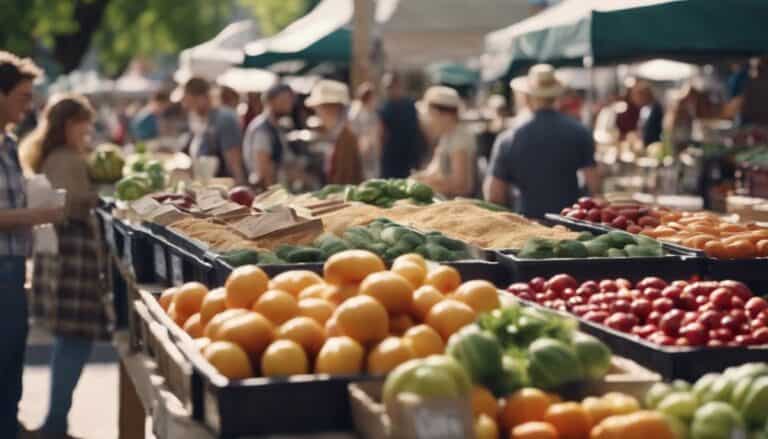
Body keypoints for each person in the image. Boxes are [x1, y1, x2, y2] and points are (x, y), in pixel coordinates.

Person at [19, 94, 112, 439]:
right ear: (69, 124)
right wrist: (97, 195)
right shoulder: (63, 159)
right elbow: (64, 204)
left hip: (66, 253)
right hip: (70, 255)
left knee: (71, 339)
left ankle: (56, 422)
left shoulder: (63, 155)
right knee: (73, 338)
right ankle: (56, 424)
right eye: (83, 123)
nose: (87, 130)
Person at [0, 51, 64, 438]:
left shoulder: (8, 144)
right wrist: (37, 215)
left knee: (10, 379)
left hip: (11, 273)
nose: (30, 106)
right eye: (23, 96)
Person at [484, 64, 600, 219]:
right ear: (557, 96)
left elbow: (494, 194)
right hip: (569, 222)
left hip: (526, 223)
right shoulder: (580, 132)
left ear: (526, 97)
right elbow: (593, 184)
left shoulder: (508, 138)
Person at [412, 86, 476, 198]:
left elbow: (462, 186)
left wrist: (423, 185)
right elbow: (433, 171)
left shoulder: (460, 138)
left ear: (437, 113)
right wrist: (416, 178)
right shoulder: (446, 136)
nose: (427, 121)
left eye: (429, 115)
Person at [181, 77, 246, 183]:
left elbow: (234, 162)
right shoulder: (204, 120)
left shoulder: (224, 119)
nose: (186, 106)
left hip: (223, 186)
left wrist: (239, 189)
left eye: (189, 101)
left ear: (202, 98)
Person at [305, 80, 362, 185]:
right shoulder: (339, 134)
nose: (316, 112)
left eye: (317, 108)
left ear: (329, 108)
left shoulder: (346, 138)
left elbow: (344, 181)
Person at [242, 83, 295, 187]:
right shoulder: (262, 129)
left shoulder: (276, 126)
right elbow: (263, 168)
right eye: (284, 100)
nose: (289, 104)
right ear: (271, 101)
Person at [378, 72, 427, 178]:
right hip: (391, 156)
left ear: (398, 86)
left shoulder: (410, 105)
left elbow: (418, 128)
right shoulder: (385, 107)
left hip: (409, 155)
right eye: (387, 88)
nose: (389, 90)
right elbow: (382, 133)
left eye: (391, 87)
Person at [348, 82, 380, 179]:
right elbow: (353, 131)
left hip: (371, 148)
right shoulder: (356, 112)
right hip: (361, 148)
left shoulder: (371, 110)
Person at [628, 78, 664, 147]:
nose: (634, 99)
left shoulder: (657, 108)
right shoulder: (644, 109)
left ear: (644, 95)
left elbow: (655, 132)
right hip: (645, 147)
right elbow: (641, 129)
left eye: (636, 96)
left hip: (654, 147)